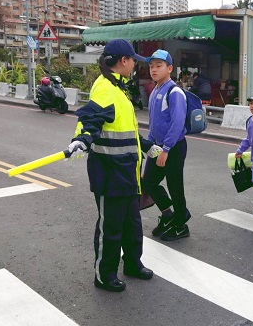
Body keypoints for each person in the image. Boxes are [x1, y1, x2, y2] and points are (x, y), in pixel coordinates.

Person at [67, 39, 161, 292]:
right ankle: (104, 274)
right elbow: (91, 119)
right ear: (123, 61)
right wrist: (82, 139)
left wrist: (146, 144)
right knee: (111, 227)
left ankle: (132, 263)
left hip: (128, 171)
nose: (135, 66)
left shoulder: (118, 88)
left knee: (132, 224)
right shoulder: (105, 88)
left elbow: (124, 129)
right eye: (133, 61)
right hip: (110, 172)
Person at [141, 49, 192, 241]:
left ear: (169, 68)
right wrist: (151, 147)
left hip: (174, 147)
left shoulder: (174, 91)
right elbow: (154, 122)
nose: (153, 69)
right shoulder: (155, 90)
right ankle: (168, 214)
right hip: (157, 146)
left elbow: (177, 123)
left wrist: (166, 150)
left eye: (158, 66)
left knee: (175, 186)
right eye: (151, 66)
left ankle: (181, 225)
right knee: (149, 182)